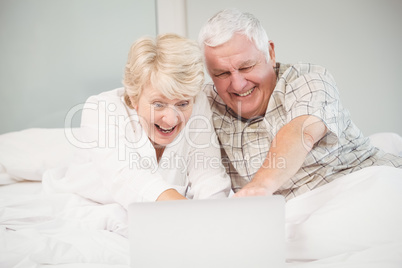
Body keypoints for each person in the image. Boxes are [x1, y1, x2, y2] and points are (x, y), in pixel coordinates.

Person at [198, 8, 402, 200]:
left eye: (246, 67)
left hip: (362, 183)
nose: (238, 84)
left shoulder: (308, 79)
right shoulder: (205, 104)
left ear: (270, 53)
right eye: (222, 73)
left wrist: (258, 187)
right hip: (292, 213)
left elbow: (301, 131)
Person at [43, 33, 230, 208]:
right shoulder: (100, 108)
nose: (172, 118)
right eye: (158, 104)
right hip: (90, 202)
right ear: (134, 97)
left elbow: (207, 172)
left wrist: (213, 214)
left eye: (182, 104)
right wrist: (190, 213)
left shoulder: (197, 102)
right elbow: (127, 177)